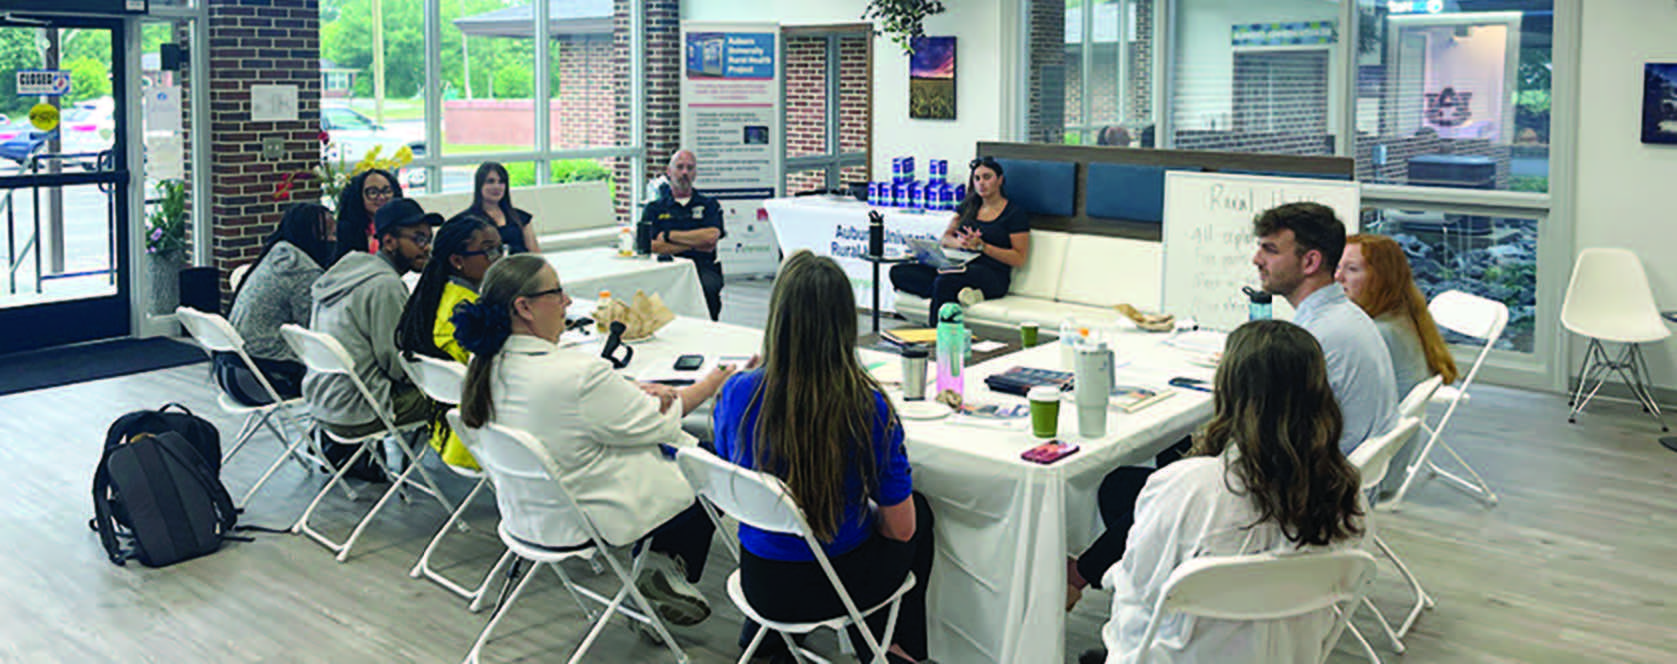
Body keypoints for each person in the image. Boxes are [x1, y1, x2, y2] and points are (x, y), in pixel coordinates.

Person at [451, 253, 739, 626]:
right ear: (524, 307)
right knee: (709, 460)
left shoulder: (485, 365)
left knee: (685, 453)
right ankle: (660, 563)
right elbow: (661, 421)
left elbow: (572, 407)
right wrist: (716, 379)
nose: (567, 302)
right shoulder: (577, 374)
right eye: (557, 293)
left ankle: (658, 572)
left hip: (528, 512)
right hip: (593, 511)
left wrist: (629, 387)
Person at [1079, 320, 1368, 663]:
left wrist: (1104, 574)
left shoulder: (1187, 488)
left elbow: (1139, 591)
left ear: (1228, 392)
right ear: (1320, 394)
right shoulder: (1349, 497)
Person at [712, 251, 935, 664]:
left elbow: (733, 473)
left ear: (777, 316)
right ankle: (897, 649)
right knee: (917, 513)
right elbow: (901, 530)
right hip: (836, 586)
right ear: (845, 324)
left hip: (760, 582)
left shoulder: (737, 392)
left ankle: (767, 639)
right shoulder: (866, 406)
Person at [1251, 202, 1396, 455]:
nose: (1257, 260)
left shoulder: (1315, 338)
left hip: (1324, 484)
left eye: (1270, 250)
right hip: (1356, 473)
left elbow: (1278, 441)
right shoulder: (1347, 316)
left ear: (1310, 262)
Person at [303, 198, 441, 451]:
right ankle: (450, 477)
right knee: (458, 395)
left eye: (429, 239)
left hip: (322, 402)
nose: (427, 248)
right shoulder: (384, 285)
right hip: (358, 411)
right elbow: (399, 364)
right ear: (389, 241)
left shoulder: (347, 271)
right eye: (419, 239)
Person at [1338, 233, 1460, 495]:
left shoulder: (1378, 333)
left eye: (1352, 269)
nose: (1338, 277)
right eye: (1337, 266)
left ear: (1381, 279)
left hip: (1368, 473)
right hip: (1386, 465)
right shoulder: (1402, 318)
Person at [394, 215, 503, 468]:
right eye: (489, 250)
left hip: (445, 431)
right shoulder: (472, 313)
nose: (499, 258)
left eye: (500, 247)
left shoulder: (437, 298)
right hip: (483, 438)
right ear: (457, 261)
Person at [888, 156, 1031, 324]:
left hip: (992, 273)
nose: (981, 183)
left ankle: (936, 333)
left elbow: (1019, 258)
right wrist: (961, 243)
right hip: (959, 266)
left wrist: (982, 247)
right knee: (899, 272)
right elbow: (946, 238)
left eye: (987, 177)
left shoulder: (1014, 214)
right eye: (977, 178)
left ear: (1000, 180)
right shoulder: (968, 206)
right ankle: (963, 293)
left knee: (945, 281)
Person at [219, 202, 336, 406]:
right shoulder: (302, 269)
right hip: (261, 380)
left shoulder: (277, 254)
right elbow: (314, 330)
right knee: (344, 374)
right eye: (329, 234)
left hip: (231, 371)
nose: (334, 240)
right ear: (312, 236)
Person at [643, 150, 726, 321]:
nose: (684, 173)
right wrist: (696, 243)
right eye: (679, 167)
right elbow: (650, 245)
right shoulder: (654, 208)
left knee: (709, 288)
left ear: (695, 173)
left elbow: (711, 239)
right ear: (669, 171)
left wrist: (668, 235)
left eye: (690, 168)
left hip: (702, 267)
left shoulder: (709, 204)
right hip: (665, 267)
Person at [454, 161, 539, 255]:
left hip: (521, 267)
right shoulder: (467, 221)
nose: (497, 187)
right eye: (490, 181)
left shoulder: (522, 218)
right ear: (479, 185)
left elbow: (536, 256)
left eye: (501, 182)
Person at [332, 168, 403, 263]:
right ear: (359, 196)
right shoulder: (348, 230)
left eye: (387, 191)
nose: (381, 197)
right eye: (373, 192)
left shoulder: (404, 225)